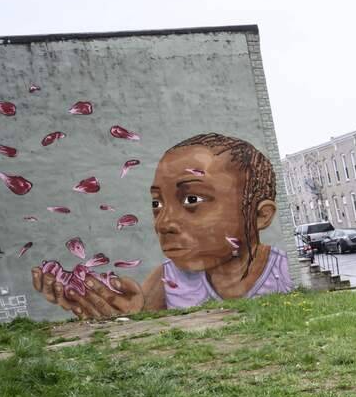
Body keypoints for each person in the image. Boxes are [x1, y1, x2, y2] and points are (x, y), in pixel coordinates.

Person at [32, 132, 291, 318]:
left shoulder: (286, 272)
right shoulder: (165, 279)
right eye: (157, 204)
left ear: (260, 217)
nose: (163, 223)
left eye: (192, 199)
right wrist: (134, 314)